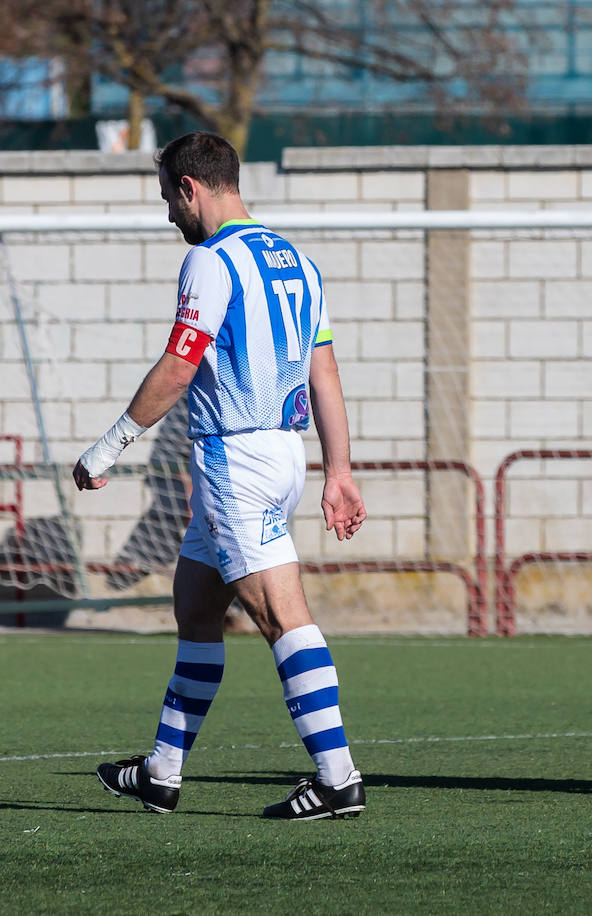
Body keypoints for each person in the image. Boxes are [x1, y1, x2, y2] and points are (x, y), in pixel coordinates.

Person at [75, 131, 368, 820]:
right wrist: (340, 470)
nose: (169, 216)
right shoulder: (296, 258)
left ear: (190, 188)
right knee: (197, 606)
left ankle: (337, 777)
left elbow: (179, 367)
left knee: (278, 615)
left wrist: (108, 445)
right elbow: (323, 370)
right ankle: (162, 772)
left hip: (234, 458)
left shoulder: (210, 261)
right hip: (282, 454)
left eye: (167, 201)